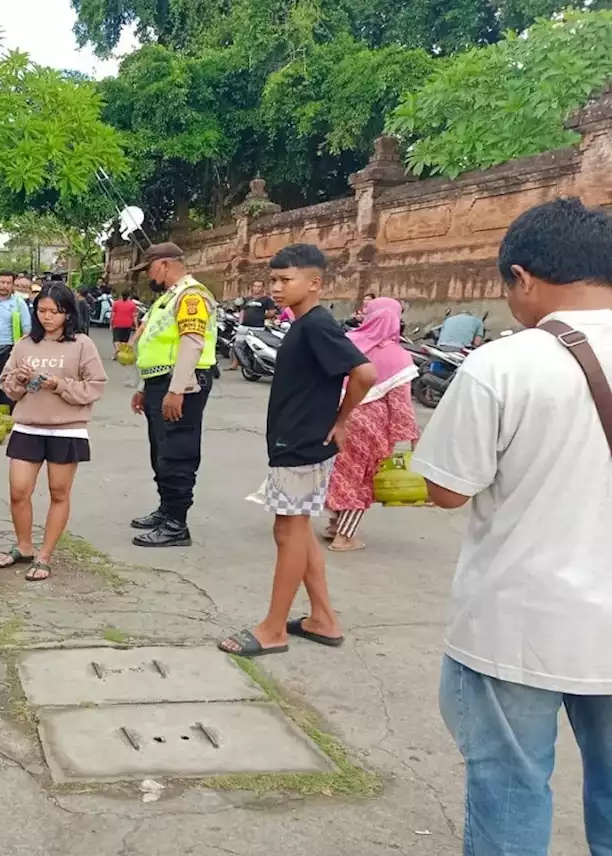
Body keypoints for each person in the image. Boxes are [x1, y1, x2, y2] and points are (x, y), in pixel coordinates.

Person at [411, 198, 612, 856]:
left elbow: (445, 489)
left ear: (522, 279)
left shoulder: (507, 362)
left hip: (519, 627)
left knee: (512, 791)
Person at [218, 243, 376, 658]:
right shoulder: (302, 324)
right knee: (296, 529)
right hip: (297, 441)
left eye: (286, 280)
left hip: (302, 444)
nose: (276, 287)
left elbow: (365, 372)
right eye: (273, 279)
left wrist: (342, 420)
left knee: (288, 532)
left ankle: (273, 629)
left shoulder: (317, 324)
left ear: (315, 283)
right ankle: (322, 618)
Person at [0, 284, 107, 581]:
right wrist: (19, 379)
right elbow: (7, 387)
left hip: (67, 430)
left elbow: (96, 386)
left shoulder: (82, 344)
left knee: (59, 493)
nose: (47, 318)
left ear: (67, 313)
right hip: (27, 426)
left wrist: (58, 385)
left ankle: (44, 555)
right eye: (42, 311)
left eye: (54, 312)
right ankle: (24, 546)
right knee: (19, 491)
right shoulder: (24, 344)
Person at [128, 242, 219, 548]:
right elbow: (155, 346)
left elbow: (192, 343)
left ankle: (177, 524)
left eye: (149, 270)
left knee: (178, 451)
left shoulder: (191, 296)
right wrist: (144, 387)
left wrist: (177, 388)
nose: (147, 277)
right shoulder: (167, 298)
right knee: (161, 450)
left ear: (164, 265)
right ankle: (166, 510)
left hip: (183, 384)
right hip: (160, 383)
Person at [322, 297, 420, 552]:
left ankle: (334, 524)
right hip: (370, 426)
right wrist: (413, 438)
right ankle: (344, 537)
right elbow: (401, 405)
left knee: (339, 473)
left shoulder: (349, 343)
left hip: (335, 416)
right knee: (362, 479)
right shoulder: (398, 356)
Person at [0, 271, 32, 409]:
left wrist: (20, 351)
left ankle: (0, 417)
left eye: (9, 283)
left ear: (13, 286)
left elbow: (27, 330)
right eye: (2, 282)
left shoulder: (19, 303)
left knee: (2, 386)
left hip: (5, 350)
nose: (5, 286)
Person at [228, 281, 276, 370]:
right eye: (255, 286)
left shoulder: (267, 300)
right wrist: (240, 322)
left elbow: (272, 312)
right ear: (252, 287)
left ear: (263, 288)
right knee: (238, 345)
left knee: (256, 346)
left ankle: (257, 365)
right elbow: (242, 311)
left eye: (259, 286)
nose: (257, 288)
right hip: (244, 326)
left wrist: (261, 316)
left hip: (258, 327)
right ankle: (234, 364)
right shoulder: (247, 299)